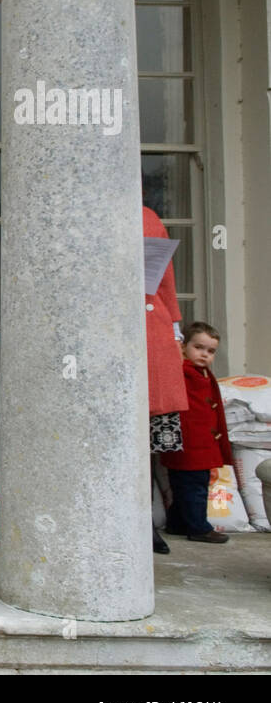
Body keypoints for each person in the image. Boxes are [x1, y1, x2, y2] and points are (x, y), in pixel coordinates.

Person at [161, 322, 232, 544]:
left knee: (186, 487)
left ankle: (177, 523)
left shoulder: (201, 372)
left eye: (210, 351)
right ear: (183, 347)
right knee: (194, 488)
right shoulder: (181, 371)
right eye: (199, 348)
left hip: (199, 443)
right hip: (188, 442)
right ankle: (199, 528)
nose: (204, 354)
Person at [143, 204, 187, 554]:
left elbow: (166, 278)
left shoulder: (148, 216)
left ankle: (143, 522)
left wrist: (174, 326)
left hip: (149, 327)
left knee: (145, 445)